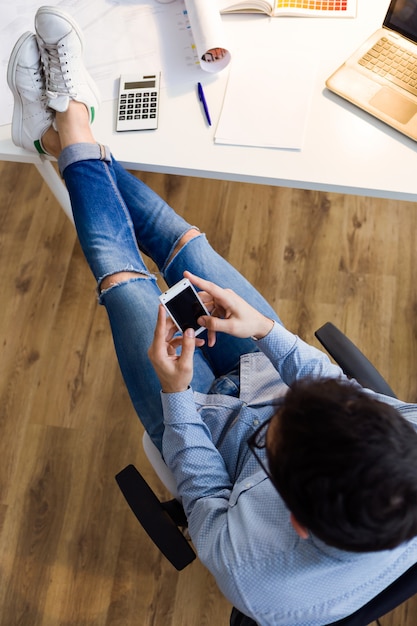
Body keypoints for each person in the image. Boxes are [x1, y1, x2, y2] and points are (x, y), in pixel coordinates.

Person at [8, 7, 417, 626]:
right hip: (259, 378)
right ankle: (69, 132)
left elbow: (201, 492)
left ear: (295, 519)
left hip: (207, 430)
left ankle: (66, 127)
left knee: (126, 286)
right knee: (187, 251)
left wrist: (178, 396)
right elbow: (335, 388)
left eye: (284, 428)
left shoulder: (258, 582)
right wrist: (268, 334)